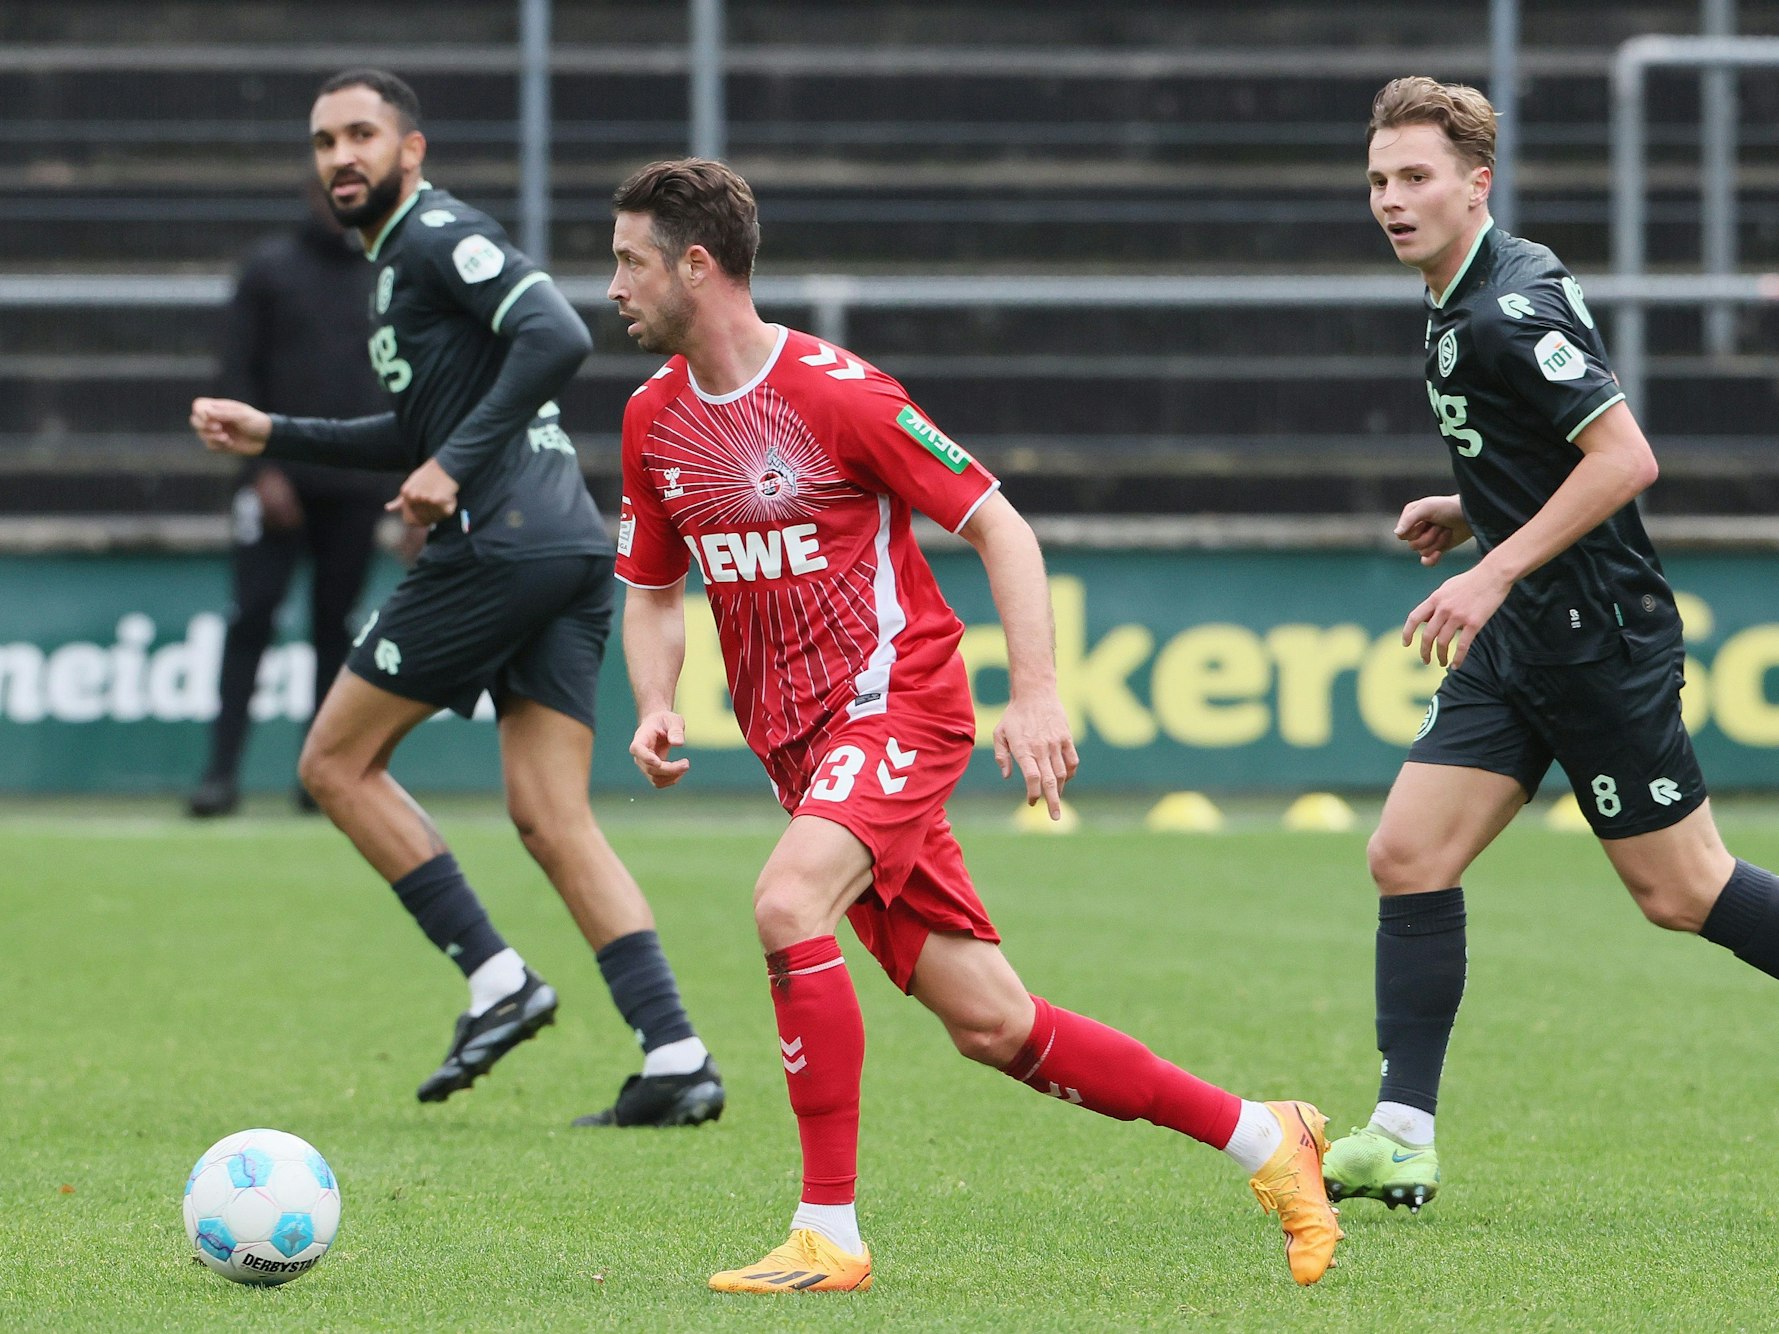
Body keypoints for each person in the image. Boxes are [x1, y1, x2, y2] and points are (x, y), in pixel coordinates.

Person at [606, 158, 1342, 1291]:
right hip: (801, 753)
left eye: (629, 261)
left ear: (696, 266)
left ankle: (828, 1230)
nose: (612, 285)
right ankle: (1266, 1133)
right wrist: (657, 701)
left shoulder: (840, 391)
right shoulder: (651, 419)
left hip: (897, 704)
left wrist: (1037, 691)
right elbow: (654, 587)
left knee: (785, 899)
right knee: (995, 1024)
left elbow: (1002, 524)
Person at [189, 69, 722, 1128]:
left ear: (411, 150)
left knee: (332, 761)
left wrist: (454, 469)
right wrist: (275, 431)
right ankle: (675, 1053)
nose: (340, 155)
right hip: (564, 544)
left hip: (501, 542)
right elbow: (418, 432)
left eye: (360, 134)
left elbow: (560, 335)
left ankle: (495, 978)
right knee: (552, 816)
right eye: (323, 139)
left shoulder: (437, 234)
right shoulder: (393, 272)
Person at [1324, 76, 1779, 1213]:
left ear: (1478, 183)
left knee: (1683, 892)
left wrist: (1490, 563)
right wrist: (1472, 504)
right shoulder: (1463, 288)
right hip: (1522, 635)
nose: (1392, 198)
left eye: (1417, 176)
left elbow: (1626, 460)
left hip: (1594, 640)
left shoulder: (1504, 307)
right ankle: (1403, 1129)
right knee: (1407, 853)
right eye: (1380, 178)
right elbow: (1546, 450)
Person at [188, 181, 394, 819]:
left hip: (355, 485)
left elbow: (404, 381)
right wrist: (260, 471)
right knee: (251, 618)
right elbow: (235, 369)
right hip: (276, 480)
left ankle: (319, 779)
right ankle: (220, 775)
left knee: (336, 630)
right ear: (313, 193)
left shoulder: (388, 275)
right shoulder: (270, 269)